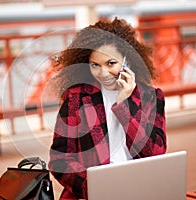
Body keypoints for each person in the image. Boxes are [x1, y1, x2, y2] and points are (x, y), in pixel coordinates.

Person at [48, 17, 167, 200]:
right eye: (95, 65)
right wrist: (95, 187)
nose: (103, 73)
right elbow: (60, 161)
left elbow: (156, 153)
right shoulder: (76, 98)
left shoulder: (151, 97)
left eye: (111, 63)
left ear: (128, 59)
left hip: (138, 191)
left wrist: (123, 106)